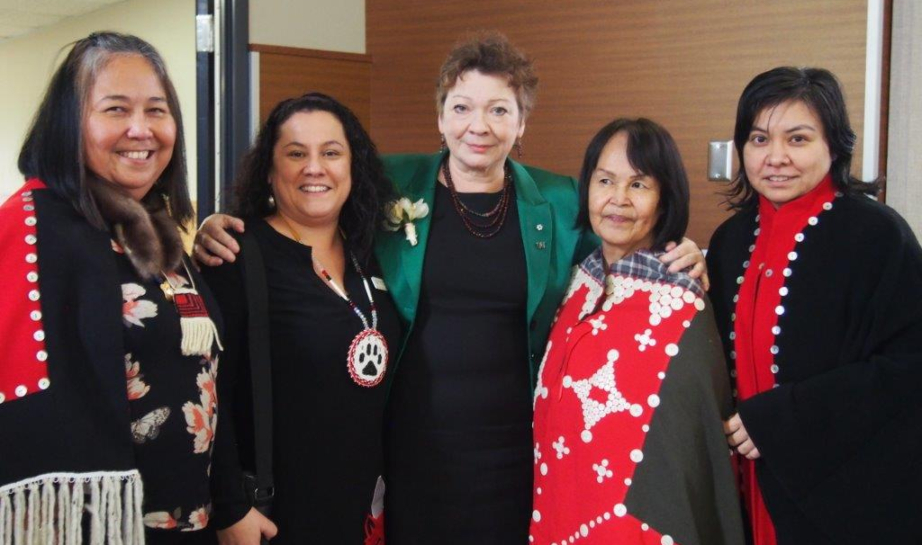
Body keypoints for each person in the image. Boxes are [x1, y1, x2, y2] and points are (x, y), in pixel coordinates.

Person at [194, 32, 706, 544]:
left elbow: (618, 245)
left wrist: (679, 248)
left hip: (515, 449)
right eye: (462, 107)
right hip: (411, 449)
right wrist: (229, 224)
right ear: (441, 117)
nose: (478, 126)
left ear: (522, 122)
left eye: (499, 111)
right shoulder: (392, 182)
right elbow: (310, 195)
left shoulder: (556, 198)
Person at [0, 32, 223, 544]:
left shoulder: (154, 231)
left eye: (157, 110)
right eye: (116, 110)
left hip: (189, 522)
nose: (141, 129)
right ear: (69, 124)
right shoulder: (31, 229)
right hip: (96, 526)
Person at [707, 67, 922, 545]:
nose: (775, 158)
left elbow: (909, 366)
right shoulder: (729, 240)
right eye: (759, 139)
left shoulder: (878, 236)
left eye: (798, 139)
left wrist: (784, 419)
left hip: (843, 491)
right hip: (747, 483)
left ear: (834, 145)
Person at [530, 118, 744, 545]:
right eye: (605, 180)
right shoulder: (577, 280)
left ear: (665, 199)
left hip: (637, 523)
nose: (618, 200)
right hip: (561, 499)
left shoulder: (682, 296)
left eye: (639, 185)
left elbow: (688, 448)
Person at [203, 92, 400, 544]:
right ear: (270, 171)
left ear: (353, 166)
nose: (315, 167)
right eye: (296, 154)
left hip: (363, 510)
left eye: (331, 153)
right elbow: (210, 396)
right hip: (274, 515)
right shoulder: (236, 257)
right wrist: (232, 508)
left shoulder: (371, 252)